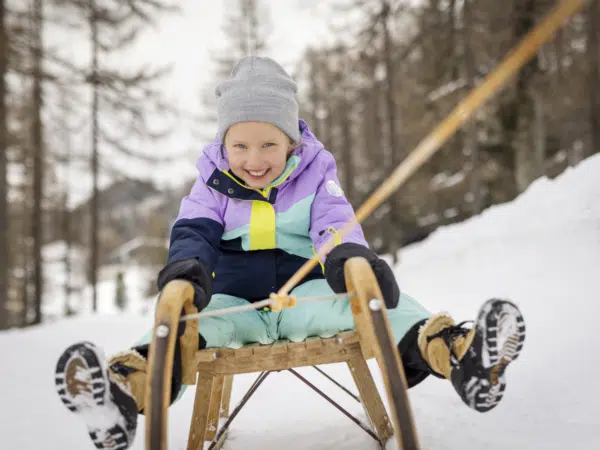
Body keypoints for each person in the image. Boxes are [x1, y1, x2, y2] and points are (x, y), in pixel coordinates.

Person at [54, 56, 526, 450]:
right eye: (240, 145)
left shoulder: (316, 173)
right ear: (224, 143)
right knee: (182, 326)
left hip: (309, 296)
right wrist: (186, 273)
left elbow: (334, 223)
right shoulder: (211, 183)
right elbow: (193, 231)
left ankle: (460, 356)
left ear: (291, 142)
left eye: (268, 145)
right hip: (235, 302)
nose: (254, 159)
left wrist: (349, 260)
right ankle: (124, 391)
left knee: (378, 304)